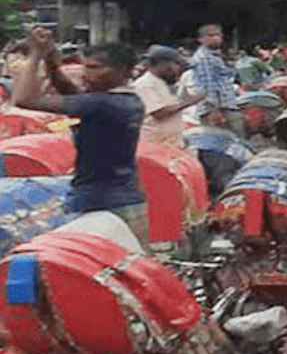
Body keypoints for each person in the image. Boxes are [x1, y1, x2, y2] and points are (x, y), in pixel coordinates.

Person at [13, 28, 149, 244]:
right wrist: (51, 61)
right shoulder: (125, 101)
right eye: (85, 67)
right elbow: (71, 93)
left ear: (124, 71)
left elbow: (24, 99)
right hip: (121, 198)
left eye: (94, 68)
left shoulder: (104, 104)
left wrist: (36, 54)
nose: (86, 74)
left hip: (100, 202)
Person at [133, 45, 204, 148]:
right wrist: (190, 101)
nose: (177, 68)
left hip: (169, 144)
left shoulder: (160, 82)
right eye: (175, 64)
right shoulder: (145, 84)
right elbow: (159, 113)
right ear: (163, 64)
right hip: (154, 144)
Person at [190, 23, 240, 133]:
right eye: (211, 35)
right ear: (201, 39)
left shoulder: (215, 56)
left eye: (218, 35)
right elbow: (207, 86)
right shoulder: (204, 58)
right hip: (217, 108)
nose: (216, 38)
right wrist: (214, 109)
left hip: (226, 105)